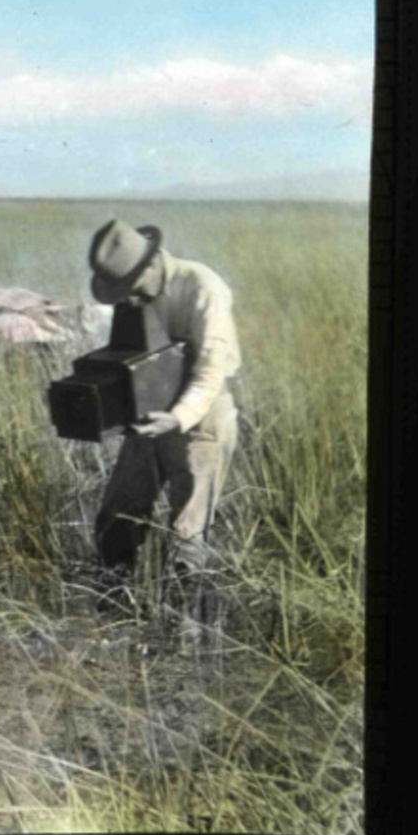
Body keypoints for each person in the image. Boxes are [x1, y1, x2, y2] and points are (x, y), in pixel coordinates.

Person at [87, 219, 242, 633]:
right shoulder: (136, 295)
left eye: (133, 288)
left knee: (187, 535)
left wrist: (177, 418)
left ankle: (184, 639)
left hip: (203, 415)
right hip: (151, 412)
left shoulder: (203, 287)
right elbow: (129, 356)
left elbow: (210, 372)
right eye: (121, 293)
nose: (129, 299)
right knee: (117, 515)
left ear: (154, 262)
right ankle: (113, 621)